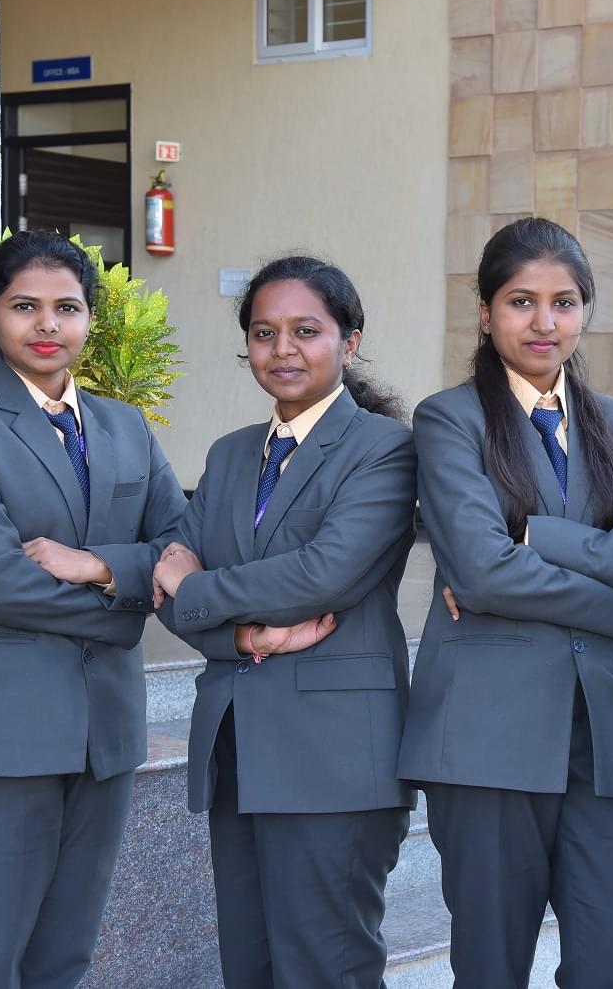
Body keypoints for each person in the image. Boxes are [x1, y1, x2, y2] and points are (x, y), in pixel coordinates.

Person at [0, 229, 187, 988]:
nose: (47, 324)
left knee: (64, 960)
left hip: (104, 737)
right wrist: (130, 602)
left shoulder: (125, 427)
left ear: (90, 320)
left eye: (67, 307)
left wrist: (98, 566)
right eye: (25, 306)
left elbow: (182, 544)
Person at [398, 217, 613, 989]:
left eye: (564, 302)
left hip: (610, 732)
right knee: (492, 967)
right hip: (488, 733)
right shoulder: (449, 420)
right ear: (488, 312)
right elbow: (484, 571)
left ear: (585, 311)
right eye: (521, 302)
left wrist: (539, 536)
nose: (544, 322)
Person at [150, 256, 417, 988]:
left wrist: (196, 586)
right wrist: (239, 635)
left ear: (350, 342)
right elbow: (169, 590)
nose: (283, 349)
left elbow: (322, 575)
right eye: (264, 333)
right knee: (251, 965)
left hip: (335, 758)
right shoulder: (232, 453)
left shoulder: (385, 451)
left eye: (306, 330)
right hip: (238, 747)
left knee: (326, 965)